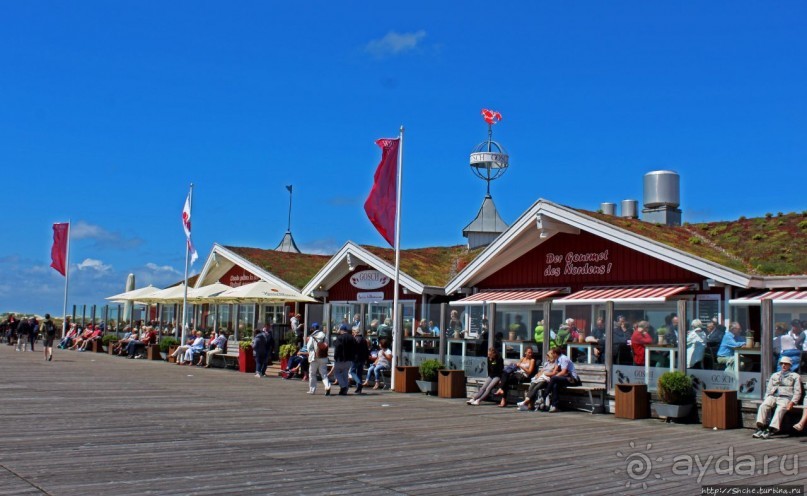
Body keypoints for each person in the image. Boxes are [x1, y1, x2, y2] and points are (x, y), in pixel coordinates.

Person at [752, 356, 803, 439]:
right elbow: (768, 389)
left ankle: (771, 429)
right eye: (782, 364)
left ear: (790, 365)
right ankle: (760, 427)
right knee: (763, 406)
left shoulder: (795, 376)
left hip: (785, 398)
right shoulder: (775, 375)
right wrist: (767, 398)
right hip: (773, 396)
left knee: (780, 409)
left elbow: (798, 392)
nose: (783, 365)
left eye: (786, 364)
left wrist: (792, 402)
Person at [546, 347, 580, 412]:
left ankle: (544, 396)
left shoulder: (564, 358)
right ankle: (555, 406)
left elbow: (563, 372)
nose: (552, 355)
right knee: (555, 385)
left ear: (555, 353)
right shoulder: (557, 359)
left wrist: (554, 376)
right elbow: (555, 371)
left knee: (553, 379)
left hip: (572, 379)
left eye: (552, 353)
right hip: (564, 378)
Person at [306, 324, 331, 395]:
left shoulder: (312, 336)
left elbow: (309, 347)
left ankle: (312, 390)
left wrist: (310, 353)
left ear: (313, 328)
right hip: (323, 357)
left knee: (312, 374)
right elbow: (326, 345)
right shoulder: (324, 335)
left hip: (314, 358)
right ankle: (327, 386)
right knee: (324, 374)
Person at [333, 325, 356, 395]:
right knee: (345, 374)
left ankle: (343, 386)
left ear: (341, 330)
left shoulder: (339, 338)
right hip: (349, 359)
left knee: (336, 372)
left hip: (340, 358)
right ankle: (345, 389)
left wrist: (335, 356)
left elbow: (337, 348)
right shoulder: (352, 337)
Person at [350, 328, 370, 394]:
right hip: (362, 359)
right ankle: (359, 389)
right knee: (359, 373)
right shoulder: (364, 340)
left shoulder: (354, 339)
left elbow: (352, 350)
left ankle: (359, 383)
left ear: (355, 332)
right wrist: (367, 359)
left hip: (355, 358)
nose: (352, 333)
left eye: (353, 332)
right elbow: (367, 350)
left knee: (352, 371)